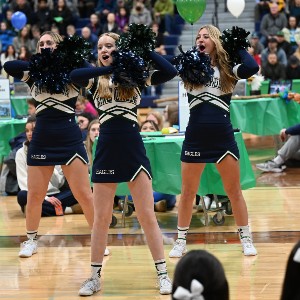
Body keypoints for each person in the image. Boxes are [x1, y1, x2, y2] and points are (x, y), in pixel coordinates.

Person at [70, 31, 177, 296]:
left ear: (120, 49)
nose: (104, 49)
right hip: (106, 148)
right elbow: (74, 76)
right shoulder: (95, 79)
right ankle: (94, 277)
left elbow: (170, 70)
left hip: (132, 147)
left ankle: (163, 274)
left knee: (147, 215)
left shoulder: (136, 76)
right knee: (101, 220)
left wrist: (141, 51)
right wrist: (108, 66)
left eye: (110, 46)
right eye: (100, 47)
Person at [3, 31, 109, 258]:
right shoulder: (33, 75)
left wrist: (68, 56)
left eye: (50, 42)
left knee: (84, 194)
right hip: (42, 139)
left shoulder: (72, 74)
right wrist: (39, 62)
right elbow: (10, 66)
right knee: (34, 195)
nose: (44, 46)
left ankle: (98, 238)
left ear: (59, 46)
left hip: (69, 138)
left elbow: (88, 71)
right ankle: (31, 240)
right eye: (41, 43)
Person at [168, 24, 258, 258]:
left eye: (206, 36)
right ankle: (180, 240)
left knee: (233, 190)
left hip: (222, 136)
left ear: (216, 41)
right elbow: (167, 67)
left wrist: (235, 45)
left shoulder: (228, 68)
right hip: (195, 136)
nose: (201, 39)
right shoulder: (189, 67)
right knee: (187, 192)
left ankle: (246, 237)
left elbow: (252, 66)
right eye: (198, 36)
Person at [16, 116, 82, 216]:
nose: (29, 134)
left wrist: (47, 161)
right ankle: (70, 209)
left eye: (33, 130)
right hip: (35, 195)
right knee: (22, 195)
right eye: (27, 131)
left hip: (57, 194)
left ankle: (36, 209)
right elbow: (23, 183)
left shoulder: (55, 149)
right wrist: (45, 198)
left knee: (83, 189)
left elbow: (59, 182)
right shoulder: (20, 153)